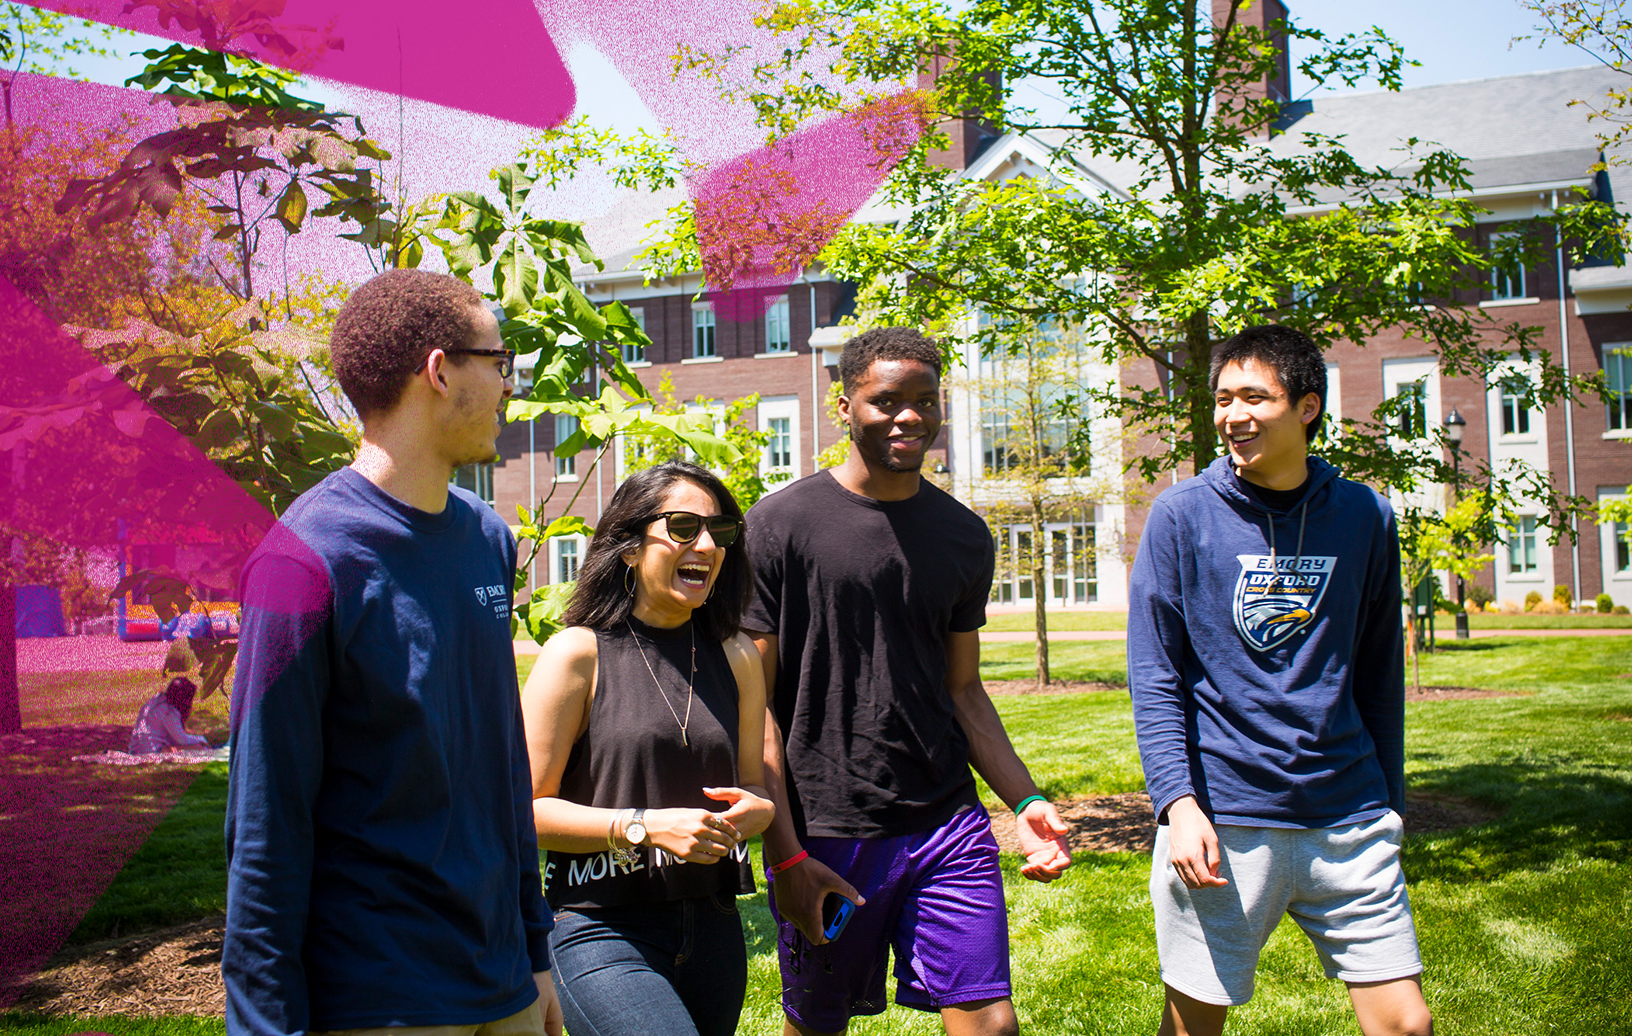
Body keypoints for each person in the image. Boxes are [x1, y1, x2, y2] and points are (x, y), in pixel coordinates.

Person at [223, 269, 562, 1036]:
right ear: (440, 371)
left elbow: (500, 763)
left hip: (501, 977)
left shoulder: (486, 540)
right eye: (499, 362)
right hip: (383, 994)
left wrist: (535, 952)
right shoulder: (302, 562)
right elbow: (265, 815)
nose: (510, 385)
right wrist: (265, 1024)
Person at [743, 326, 1074, 1036]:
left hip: (947, 821)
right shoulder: (779, 524)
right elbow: (754, 706)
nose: (909, 417)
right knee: (817, 1022)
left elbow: (964, 690)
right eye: (887, 400)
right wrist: (787, 852)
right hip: (828, 825)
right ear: (844, 406)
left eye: (926, 401)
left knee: (990, 1019)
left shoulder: (962, 535)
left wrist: (1027, 798)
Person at [1127, 324, 1432, 1036]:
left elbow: (1379, 667)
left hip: (1349, 814)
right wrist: (1178, 805)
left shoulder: (1364, 514)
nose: (1234, 415)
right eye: (1223, 399)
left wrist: (1391, 799)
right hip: (1225, 820)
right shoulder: (1182, 516)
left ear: (1307, 407)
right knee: (1194, 1026)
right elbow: (1156, 674)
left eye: (1254, 397)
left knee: (1406, 1024)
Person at [521, 460, 776, 1036]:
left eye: (721, 532)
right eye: (684, 527)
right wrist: (644, 826)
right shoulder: (577, 653)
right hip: (600, 924)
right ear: (631, 546)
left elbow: (753, 788)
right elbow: (524, 807)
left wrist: (758, 810)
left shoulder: (736, 656)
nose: (708, 545)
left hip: (713, 925)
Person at [128, 675, 210, 754]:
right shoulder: (168, 712)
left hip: (135, 750)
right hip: (151, 752)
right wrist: (201, 739)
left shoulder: (155, 702)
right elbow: (182, 739)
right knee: (198, 747)